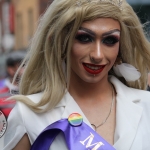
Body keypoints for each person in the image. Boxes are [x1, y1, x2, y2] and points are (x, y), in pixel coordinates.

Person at [2, 0, 150, 149]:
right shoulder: (28, 115)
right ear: (59, 43)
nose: (97, 55)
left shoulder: (146, 106)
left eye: (110, 40)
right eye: (84, 38)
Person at [0, 51, 25, 118]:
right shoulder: (1, 93)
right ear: (11, 69)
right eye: (22, 65)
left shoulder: (34, 90)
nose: (26, 68)